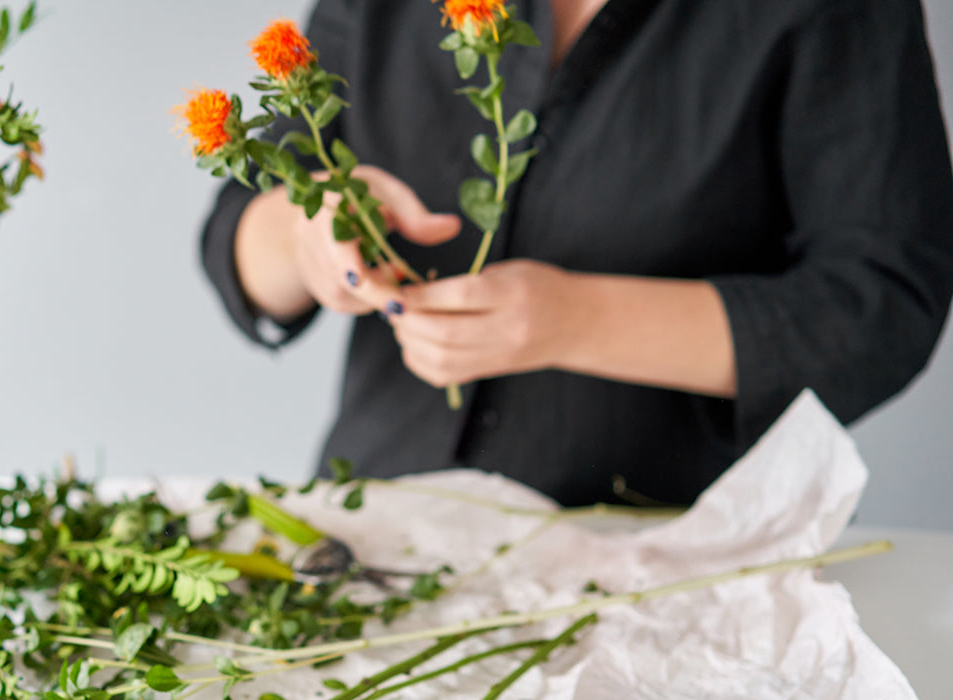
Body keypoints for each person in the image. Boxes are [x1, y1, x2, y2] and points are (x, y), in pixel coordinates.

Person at [199, 0, 953, 507]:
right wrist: (308, 232)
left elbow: (883, 306)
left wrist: (574, 319)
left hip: (668, 558)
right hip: (371, 532)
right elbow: (237, 244)